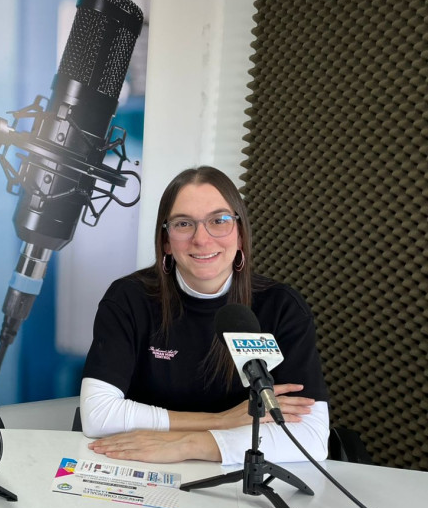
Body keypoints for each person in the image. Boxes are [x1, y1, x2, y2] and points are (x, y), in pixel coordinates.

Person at [80, 166, 330, 464]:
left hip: (231, 476)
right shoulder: (129, 298)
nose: (202, 238)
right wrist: (222, 421)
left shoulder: (281, 306)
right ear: (165, 241)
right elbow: (97, 414)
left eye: (219, 220)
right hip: (142, 464)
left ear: (240, 234)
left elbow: (311, 438)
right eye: (184, 224)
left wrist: (190, 445)